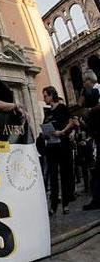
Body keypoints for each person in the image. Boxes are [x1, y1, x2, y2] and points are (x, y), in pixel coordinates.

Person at [42, 86, 76, 215]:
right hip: (51, 147)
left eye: (45, 95)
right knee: (53, 176)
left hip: (63, 146)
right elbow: (45, 126)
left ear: (51, 95)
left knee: (65, 174)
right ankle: (54, 205)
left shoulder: (62, 108)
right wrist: (45, 134)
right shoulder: (48, 113)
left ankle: (66, 204)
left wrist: (61, 132)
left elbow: (72, 122)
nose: (44, 98)